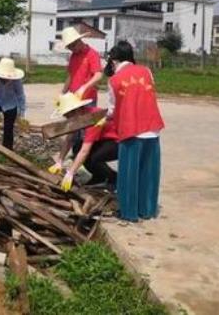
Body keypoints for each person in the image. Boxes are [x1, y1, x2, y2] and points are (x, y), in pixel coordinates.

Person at [106, 41, 164, 222]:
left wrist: (106, 119)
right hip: (152, 128)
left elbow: (112, 109)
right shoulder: (146, 71)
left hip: (131, 130)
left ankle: (129, 212)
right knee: (149, 172)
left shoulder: (114, 80)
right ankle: (147, 210)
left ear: (114, 61)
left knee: (129, 174)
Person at [48, 92, 119, 191]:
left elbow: (85, 150)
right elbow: (69, 139)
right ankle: (99, 177)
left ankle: (113, 178)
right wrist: (60, 161)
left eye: (68, 115)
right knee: (77, 147)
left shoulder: (93, 119)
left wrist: (70, 173)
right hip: (103, 140)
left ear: (75, 111)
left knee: (93, 157)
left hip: (117, 142)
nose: (67, 118)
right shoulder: (78, 118)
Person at [61, 26, 103, 103]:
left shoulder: (92, 54)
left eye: (73, 46)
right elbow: (71, 76)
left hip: (88, 99)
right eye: (69, 47)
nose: (72, 49)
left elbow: (98, 75)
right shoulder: (73, 56)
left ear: (79, 40)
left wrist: (84, 87)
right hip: (73, 98)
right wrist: (63, 93)